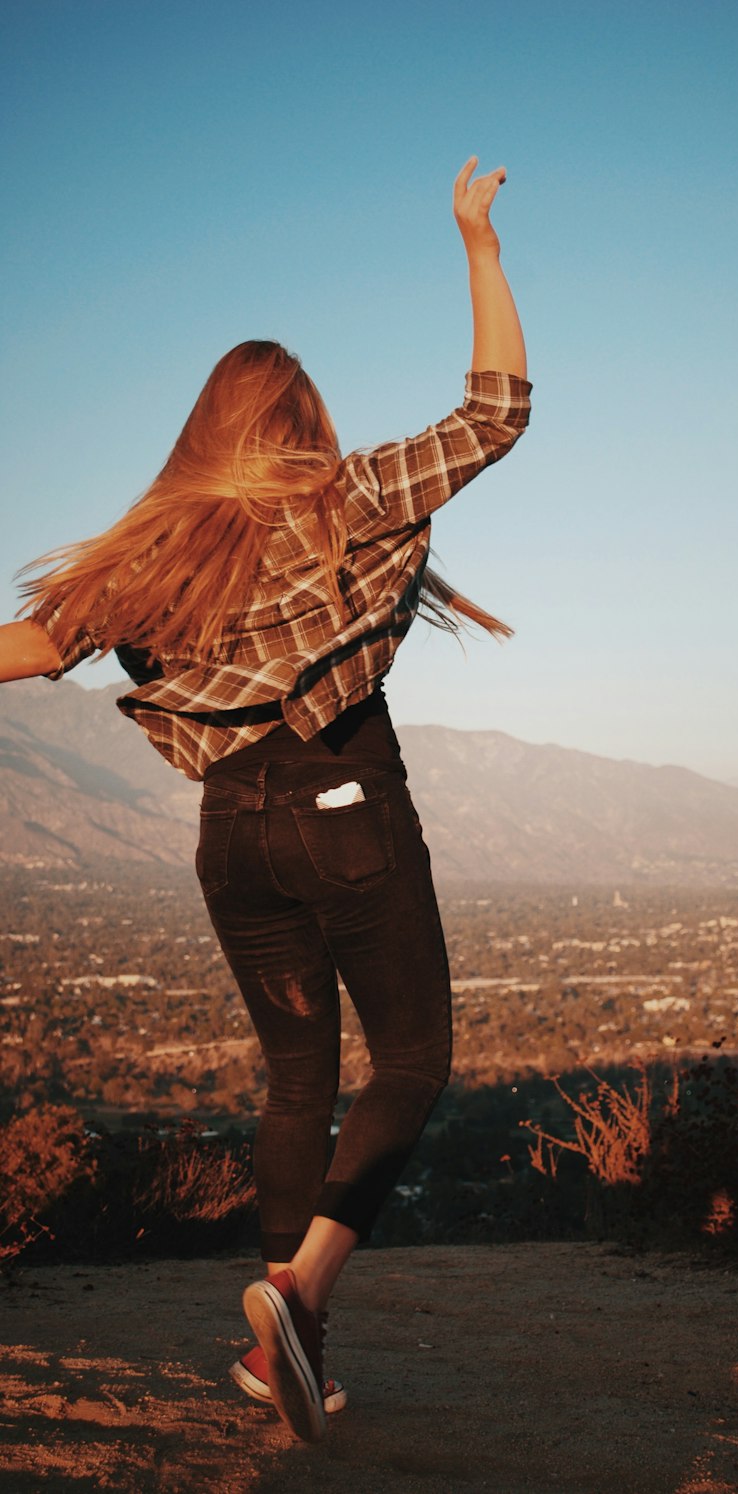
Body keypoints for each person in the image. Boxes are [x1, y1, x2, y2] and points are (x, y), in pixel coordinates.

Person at [0, 156, 529, 1441]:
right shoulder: (344, 496)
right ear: (301, 419)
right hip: (344, 805)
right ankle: (298, 1293)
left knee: (298, 1083)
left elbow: (28, 650)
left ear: (203, 425)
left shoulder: (156, 543)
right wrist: (477, 245)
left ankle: (280, 1358)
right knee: (411, 1063)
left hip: (228, 839)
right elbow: (496, 411)